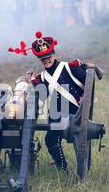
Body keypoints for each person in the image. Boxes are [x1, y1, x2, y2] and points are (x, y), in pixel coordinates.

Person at [26, 31, 87, 173]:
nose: (46, 60)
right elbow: (42, 96)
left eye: (48, 57)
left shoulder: (69, 67)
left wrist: (85, 96)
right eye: (42, 59)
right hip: (55, 113)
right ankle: (63, 168)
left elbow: (88, 81)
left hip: (74, 113)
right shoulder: (41, 77)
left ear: (54, 54)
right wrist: (32, 82)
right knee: (51, 140)